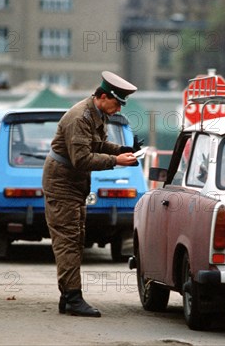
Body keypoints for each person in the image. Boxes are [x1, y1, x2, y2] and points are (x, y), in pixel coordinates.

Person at [42, 71, 140, 317]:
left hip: (73, 183)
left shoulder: (98, 113)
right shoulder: (80, 117)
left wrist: (123, 149)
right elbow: (82, 158)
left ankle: (67, 296)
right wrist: (116, 160)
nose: (118, 109)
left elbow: (94, 145)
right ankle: (73, 298)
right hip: (63, 182)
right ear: (103, 96)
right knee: (68, 241)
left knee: (76, 239)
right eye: (116, 103)